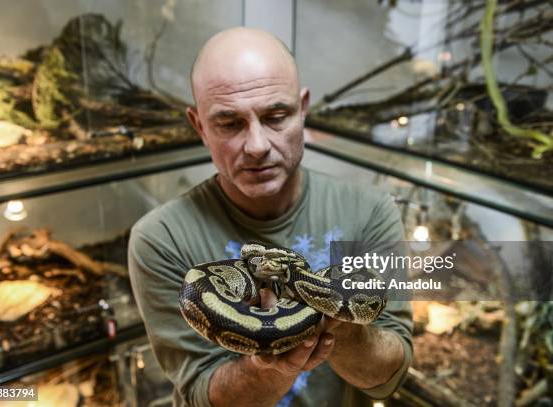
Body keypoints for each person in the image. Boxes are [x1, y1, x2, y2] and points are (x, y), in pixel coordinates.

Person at [128, 27, 413, 407]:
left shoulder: (371, 210)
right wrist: (271, 367)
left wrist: (337, 326)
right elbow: (199, 397)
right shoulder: (159, 238)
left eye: (276, 116)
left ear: (303, 109)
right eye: (229, 124)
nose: (257, 146)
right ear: (200, 127)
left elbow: (387, 378)